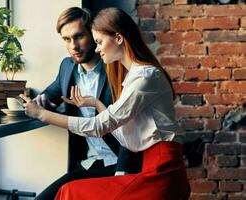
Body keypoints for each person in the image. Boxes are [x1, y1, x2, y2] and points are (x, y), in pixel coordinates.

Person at [21, 7, 190, 200]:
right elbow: (118, 127)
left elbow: (99, 126)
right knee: (67, 191)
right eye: (66, 39)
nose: (97, 48)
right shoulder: (135, 76)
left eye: (99, 42)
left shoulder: (144, 77)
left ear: (118, 38)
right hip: (150, 167)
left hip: (159, 172)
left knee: (69, 192)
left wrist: (42, 115)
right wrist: (95, 103)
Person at [33, 7, 142, 200]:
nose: (73, 46)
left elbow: (129, 126)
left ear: (93, 34)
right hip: (88, 163)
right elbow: (51, 93)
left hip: (119, 163)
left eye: (78, 36)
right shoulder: (67, 67)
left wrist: (122, 174)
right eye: (66, 39)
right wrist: (42, 101)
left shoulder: (119, 70)